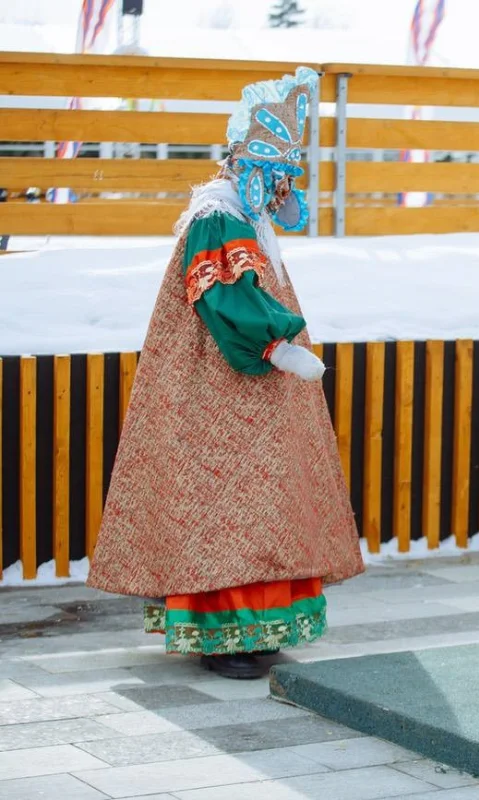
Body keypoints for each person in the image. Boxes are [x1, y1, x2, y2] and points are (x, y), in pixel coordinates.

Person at [87, 67, 364, 678]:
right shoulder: (219, 217)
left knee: (262, 504)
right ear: (254, 167)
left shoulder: (244, 216)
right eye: (282, 175)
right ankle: (225, 634)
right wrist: (277, 347)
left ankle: (258, 626)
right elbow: (224, 300)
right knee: (223, 505)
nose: (287, 188)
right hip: (218, 388)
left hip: (251, 397)